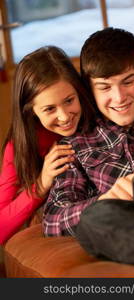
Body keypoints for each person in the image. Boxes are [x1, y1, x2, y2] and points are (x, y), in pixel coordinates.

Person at [43, 27, 134, 237]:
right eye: (104, 87)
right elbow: (53, 221)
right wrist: (105, 201)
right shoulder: (75, 148)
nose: (119, 97)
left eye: (128, 82)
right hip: (133, 233)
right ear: (90, 90)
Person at [0, 45, 95, 245]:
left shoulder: (95, 113)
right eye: (50, 109)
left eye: (69, 100)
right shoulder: (19, 146)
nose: (64, 116)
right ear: (31, 111)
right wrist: (42, 183)